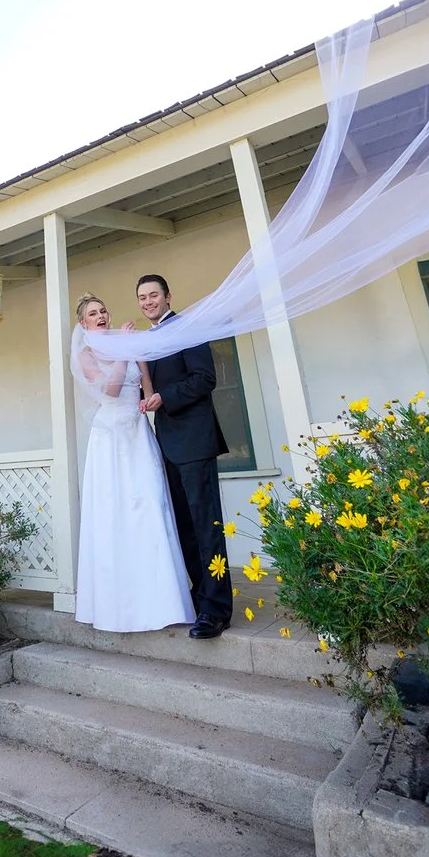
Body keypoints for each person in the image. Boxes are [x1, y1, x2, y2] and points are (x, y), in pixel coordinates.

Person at [68, 294, 196, 634]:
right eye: (92, 313)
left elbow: (147, 390)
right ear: (83, 324)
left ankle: (164, 600)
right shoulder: (86, 355)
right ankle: (118, 605)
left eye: (104, 310)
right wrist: (125, 351)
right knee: (115, 513)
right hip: (109, 440)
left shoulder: (128, 345)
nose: (100, 316)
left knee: (150, 506)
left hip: (137, 434)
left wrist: (148, 395)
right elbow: (108, 390)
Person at [135, 274, 233, 640]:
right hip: (169, 447)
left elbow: (205, 378)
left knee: (207, 529)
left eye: (153, 295)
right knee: (186, 530)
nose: (148, 302)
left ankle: (217, 609)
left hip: (195, 443)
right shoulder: (149, 339)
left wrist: (165, 397)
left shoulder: (187, 327)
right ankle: (198, 597)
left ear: (167, 296)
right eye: (142, 297)